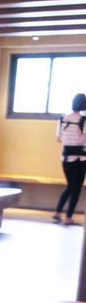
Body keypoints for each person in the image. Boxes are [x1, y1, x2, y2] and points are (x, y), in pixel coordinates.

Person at [53, 93, 86, 225]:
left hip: (65, 157)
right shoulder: (84, 120)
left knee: (70, 185)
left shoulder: (62, 119)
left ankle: (57, 211)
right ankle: (68, 216)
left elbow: (58, 138)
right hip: (80, 158)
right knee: (75, 188)